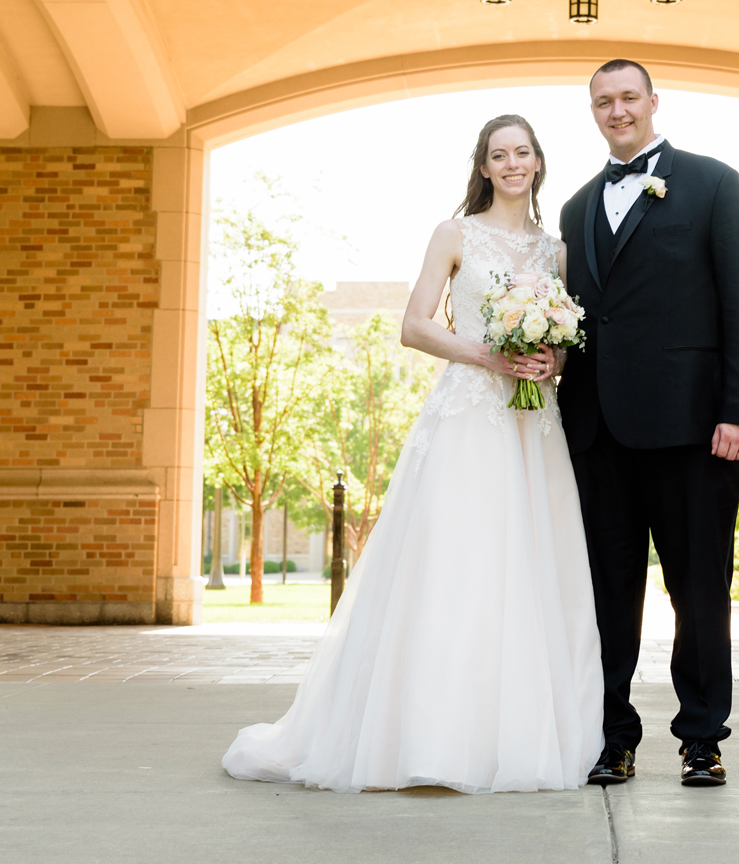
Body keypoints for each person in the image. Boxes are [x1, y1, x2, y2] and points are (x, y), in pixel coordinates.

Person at [220, 115, 601, 793]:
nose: (512, 163)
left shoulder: (557, 250)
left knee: (531, 567)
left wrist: (550, 360)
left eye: (523, 152)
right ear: (483, 166)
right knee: (457, 563)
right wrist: (488, 354)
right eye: (498, 154)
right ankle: (428, 736)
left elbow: (569, 343)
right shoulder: (454, 233)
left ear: (539, 162)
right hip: (470, 416)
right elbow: (414, 324)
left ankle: (519, 736)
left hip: (533, 422)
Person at [557, 59, 739, 789]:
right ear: (593, 112)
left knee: (698, 589)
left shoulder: (714, 183)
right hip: (597, 432)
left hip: (694, 428)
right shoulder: (577, 206)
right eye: (602, 102)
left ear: (653, 101)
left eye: (627, 97)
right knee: (607, 592)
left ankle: (702, 736)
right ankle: (612, 734)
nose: (617, 110)